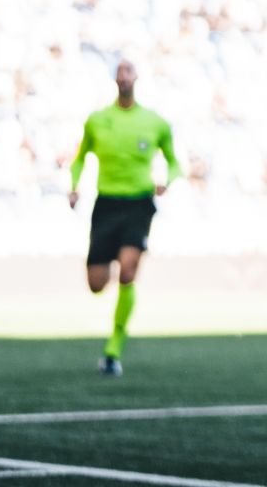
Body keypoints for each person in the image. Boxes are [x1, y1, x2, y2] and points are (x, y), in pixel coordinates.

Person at [68, 59, 180, 377]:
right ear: (114, 79)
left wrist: (167, 181)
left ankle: (113, 349)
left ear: (137, 77)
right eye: (120, 71)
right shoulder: (97, 120)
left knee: (128, 272)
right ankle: (112, 268)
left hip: (138, 204)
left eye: (129, 70)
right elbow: (79, 158)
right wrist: (74, 187)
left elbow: (174, 162)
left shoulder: (155, 122)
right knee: (96, 284)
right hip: (106, 204)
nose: (124, 76)